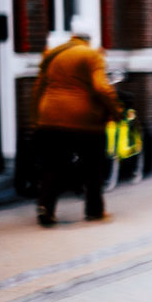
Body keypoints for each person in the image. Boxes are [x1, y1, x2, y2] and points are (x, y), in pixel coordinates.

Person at [33, 16, 123, 226]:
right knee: (93, 166)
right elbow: (101, 87)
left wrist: (36, 119)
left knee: (51, 166)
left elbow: (39, 87)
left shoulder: (52, 54)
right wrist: (116, 110)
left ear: (72, 35)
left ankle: (46, 208)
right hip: (84, 121)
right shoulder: (91, 55)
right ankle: (94, 210)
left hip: (49, 117)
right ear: (89, 37)